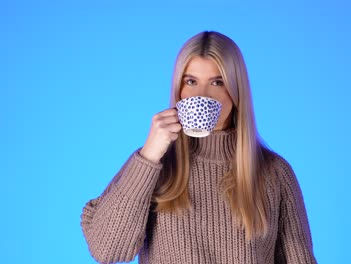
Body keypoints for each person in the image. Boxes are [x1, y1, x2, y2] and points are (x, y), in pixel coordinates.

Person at [80, 31, 318, 264]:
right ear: (178, 90)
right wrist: (149, 156)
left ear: (236, 92)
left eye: (217, 82)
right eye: (191, 81)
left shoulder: (274, 172)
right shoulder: (153, 165)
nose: (202, 95)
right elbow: (107, 249)